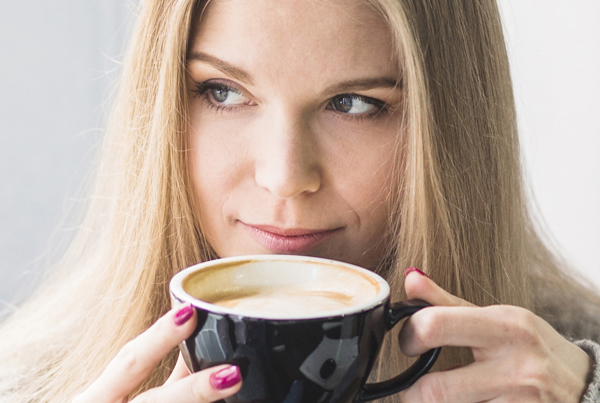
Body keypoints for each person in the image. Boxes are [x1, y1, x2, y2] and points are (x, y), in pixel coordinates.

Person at [0, 0, 598, 402]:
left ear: (452, 133)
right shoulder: (29, 380)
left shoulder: (565, 367)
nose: (284, 177)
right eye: (223, 91)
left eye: (355, 104)